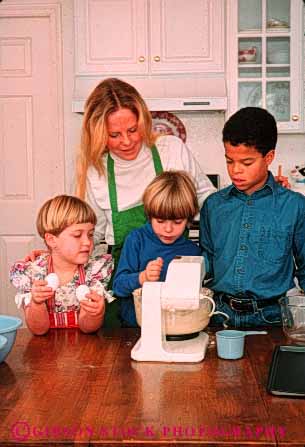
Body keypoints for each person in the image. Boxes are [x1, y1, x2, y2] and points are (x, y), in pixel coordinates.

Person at [199, 107, 305, 328]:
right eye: (229, 161)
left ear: (269, 157)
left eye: (246, 163)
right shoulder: (213, 205)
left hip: (273, 318)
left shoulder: (294, 206)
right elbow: (205, 263)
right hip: (219, 316)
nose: (235, 170)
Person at [10, 195, 114, 335]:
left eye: (90, 234)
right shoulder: (34, 273)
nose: (87, 242)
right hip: (44, 352)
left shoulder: (94, 271)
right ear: (52, 240)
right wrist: (37, 303)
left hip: (85, 350)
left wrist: (95, 313)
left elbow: (88, 328)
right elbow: (38, 330)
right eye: (77, 235)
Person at [113, 170, 202, 326]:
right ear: (149, 215)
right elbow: (118, 287)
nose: (168, 229)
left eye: (177, 222)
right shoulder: (136, 240)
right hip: (136, 327)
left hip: (177, 326)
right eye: (160, 221)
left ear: (189, 219)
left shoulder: (192, 251)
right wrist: (143, 277)